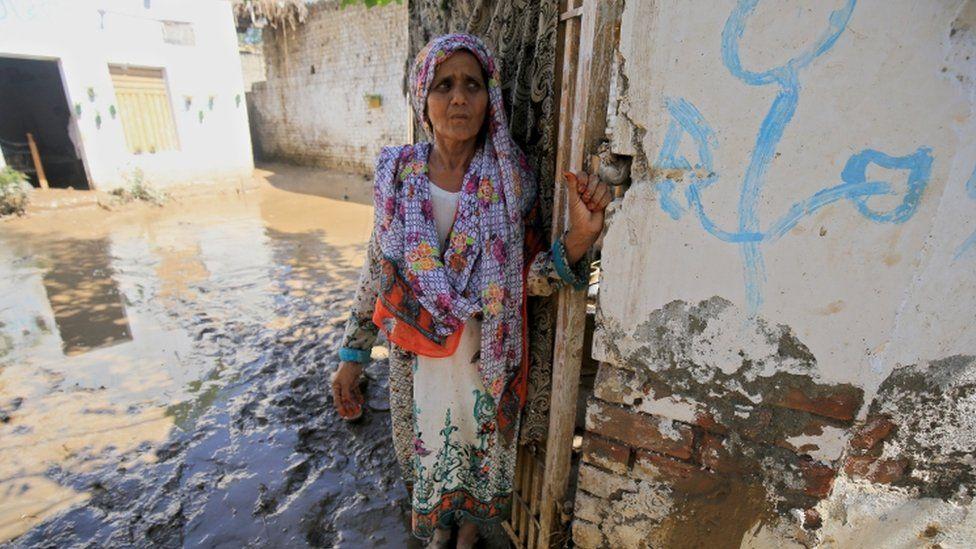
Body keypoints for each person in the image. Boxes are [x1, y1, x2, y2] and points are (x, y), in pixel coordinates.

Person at [331, 33, 611, 548]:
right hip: (415, 361)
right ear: (422, 98)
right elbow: (378, 269)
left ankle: (466, 535)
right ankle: (441, 530)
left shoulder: (512, 181)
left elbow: (525, 280)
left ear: (491, 98)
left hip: (486, 356)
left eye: (472, 85)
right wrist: (352, 353)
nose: (459, 97)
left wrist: (578, 240)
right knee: (428, 459)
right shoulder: (397, 174)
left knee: (475, 459)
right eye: (444, 85)